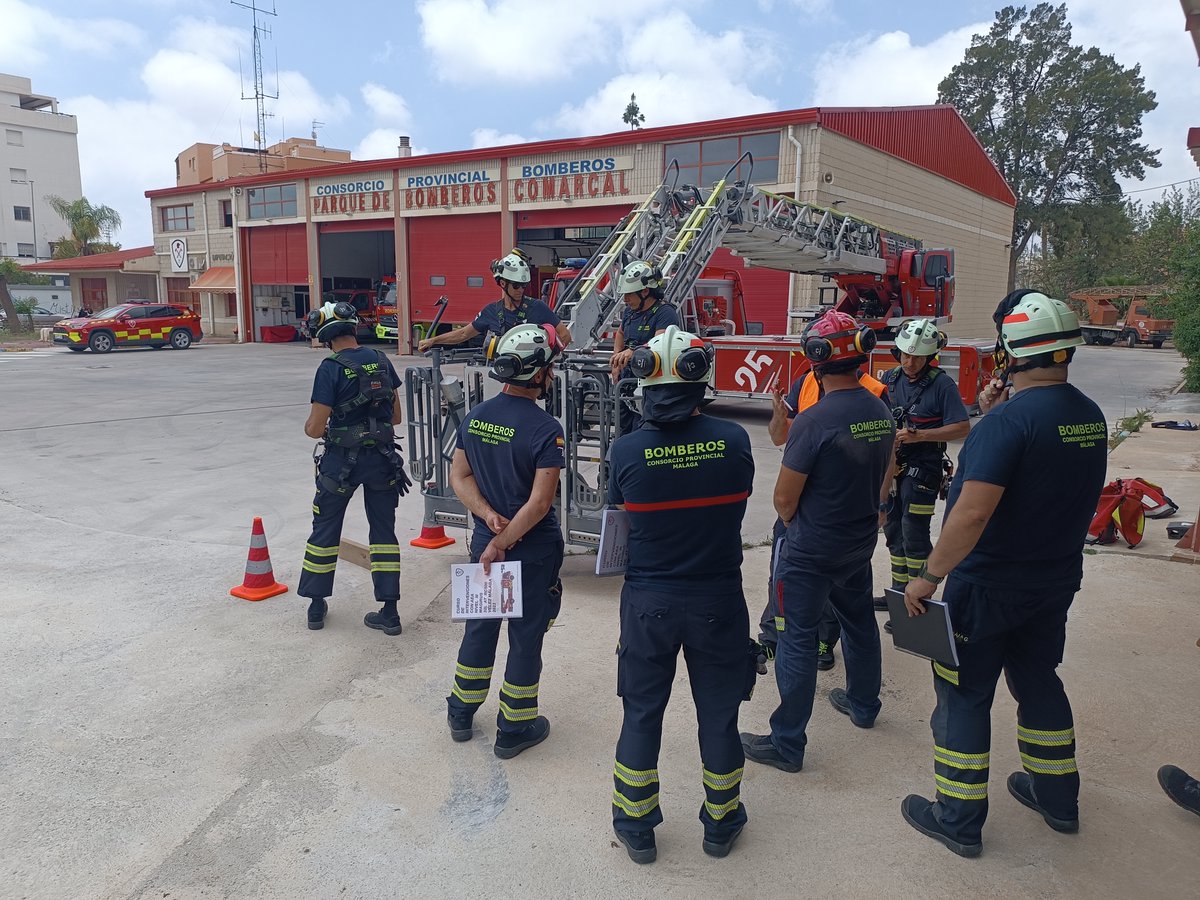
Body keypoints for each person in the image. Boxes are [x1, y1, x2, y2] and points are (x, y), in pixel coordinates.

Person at [899, 293, 1106, 858]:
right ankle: (1057, 800)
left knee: (964, 697)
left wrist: (928, 577)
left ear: (1010, 351)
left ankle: (958, 820)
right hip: (1053, 582)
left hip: (987, 587)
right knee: (1039, 682)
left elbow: (972, 513)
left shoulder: (1009, 422)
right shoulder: (1088, 415)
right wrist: (994, 415)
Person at [607, 326, 756, 864]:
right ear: (700, 379)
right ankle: (721, 824)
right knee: (718, 716)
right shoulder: (736, 442)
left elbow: (617, 520)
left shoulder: (625, 451)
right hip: (718, 598)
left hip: (650, 602)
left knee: (642, 712)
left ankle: (637, 826)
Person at [741, 310, 895, 773]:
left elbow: (785, 501)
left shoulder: (814, 420)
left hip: (809, 552)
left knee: (794, 637)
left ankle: (787, 742)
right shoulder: (880, 410)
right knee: (859, 622)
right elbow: (886, 481)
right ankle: (864, 705)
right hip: (858, 541)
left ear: (816, 361)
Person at [445, 323, 566, 759]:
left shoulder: (476, 418)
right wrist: (507, 539)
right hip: (530, 551)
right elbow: (538, 505)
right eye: (549, 368)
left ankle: (461, 710)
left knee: (480, 628)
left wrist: (488, 521)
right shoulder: (545, 428)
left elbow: (458, 477)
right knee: (526, 636)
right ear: (537, 373)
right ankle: (514, 728)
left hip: (485, 544)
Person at [758, 350, 888, 671]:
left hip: (830, 516)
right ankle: (773, 635)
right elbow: (779, 436)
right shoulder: (804, 385)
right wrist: (778, 415)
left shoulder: (875, 392)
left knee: (827, 599)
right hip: (826, 512)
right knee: (786, 582)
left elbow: (890, 454)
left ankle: (822, 641)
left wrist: (880, 503)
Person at [299, 301, 411, 635]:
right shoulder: (381, 359)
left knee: (325, 531)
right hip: (382, 461)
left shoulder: (330, 368)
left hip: (341, 465)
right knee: (384, 533)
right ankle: (390, 612)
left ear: (326, 334)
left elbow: (316, 429)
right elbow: (395, 418)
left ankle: (316, 607)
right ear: (352, 327)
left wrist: (317, 424)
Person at [874, 318, 969, 609]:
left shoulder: (942, 385)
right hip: (893, 469)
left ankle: (917, 598)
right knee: (893, 533)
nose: (910, 361)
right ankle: (898, 593)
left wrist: (920, 436)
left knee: (914, 532)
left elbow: (962, 427)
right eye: (905, 354)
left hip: (924, 469)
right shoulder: (888, 381)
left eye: (916, 357)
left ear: (929, 357)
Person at [417, 250, 571, 352]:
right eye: (516, 286)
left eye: (524, 285)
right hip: (501, 377)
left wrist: (547, 358)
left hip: (532, 381)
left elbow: (565, 335)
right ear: (503, 284)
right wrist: (433, 341)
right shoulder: (491, 311)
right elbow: (463, 334)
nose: (521, 290)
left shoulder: (537, 307)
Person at [608, 260, 682, 436]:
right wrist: (617, 358)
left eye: (629, 295)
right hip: (626, 384)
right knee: (620, 432)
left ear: (645, 291)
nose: (625, 300)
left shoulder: (665, 313)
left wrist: (634, 351)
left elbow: (661, 343)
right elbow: (620, 333)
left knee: (643, 433)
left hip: (651, 388)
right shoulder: (630, 312)